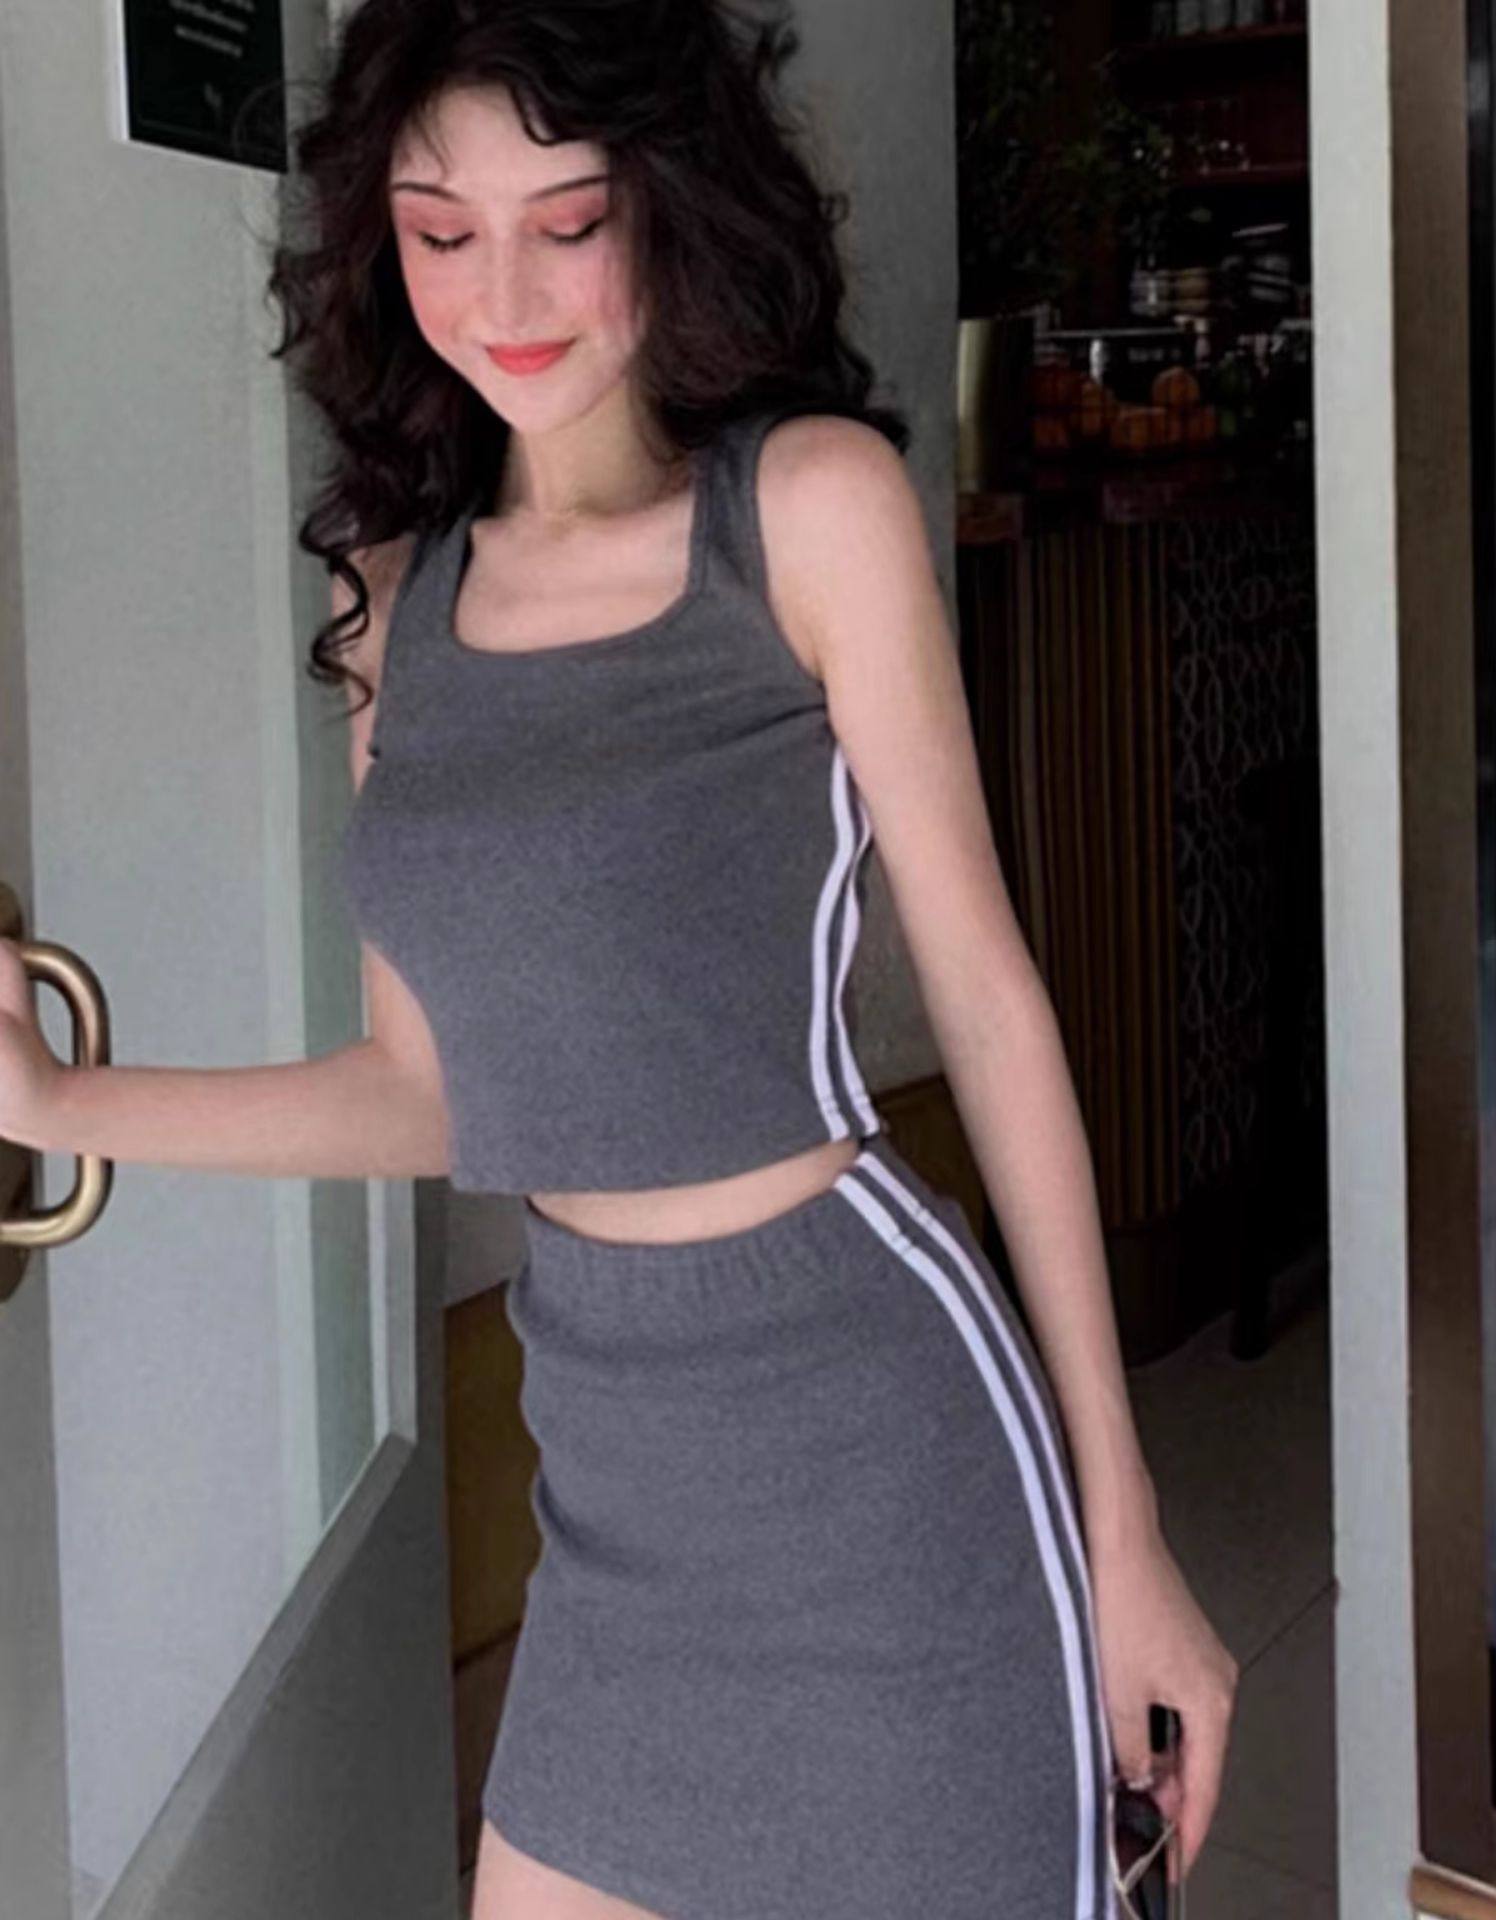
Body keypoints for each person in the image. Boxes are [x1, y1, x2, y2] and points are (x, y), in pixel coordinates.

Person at [0, 1, 1238, 1915]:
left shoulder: (803, 513)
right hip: (609, 1490)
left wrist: (1124, 1525)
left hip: (875, 1442)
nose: (502, 294)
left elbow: (991, 1007)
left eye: (565, 220)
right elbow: (429, 1092)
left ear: (666, 201)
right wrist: (61, 1104)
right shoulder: (393, 605)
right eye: (440, 228)